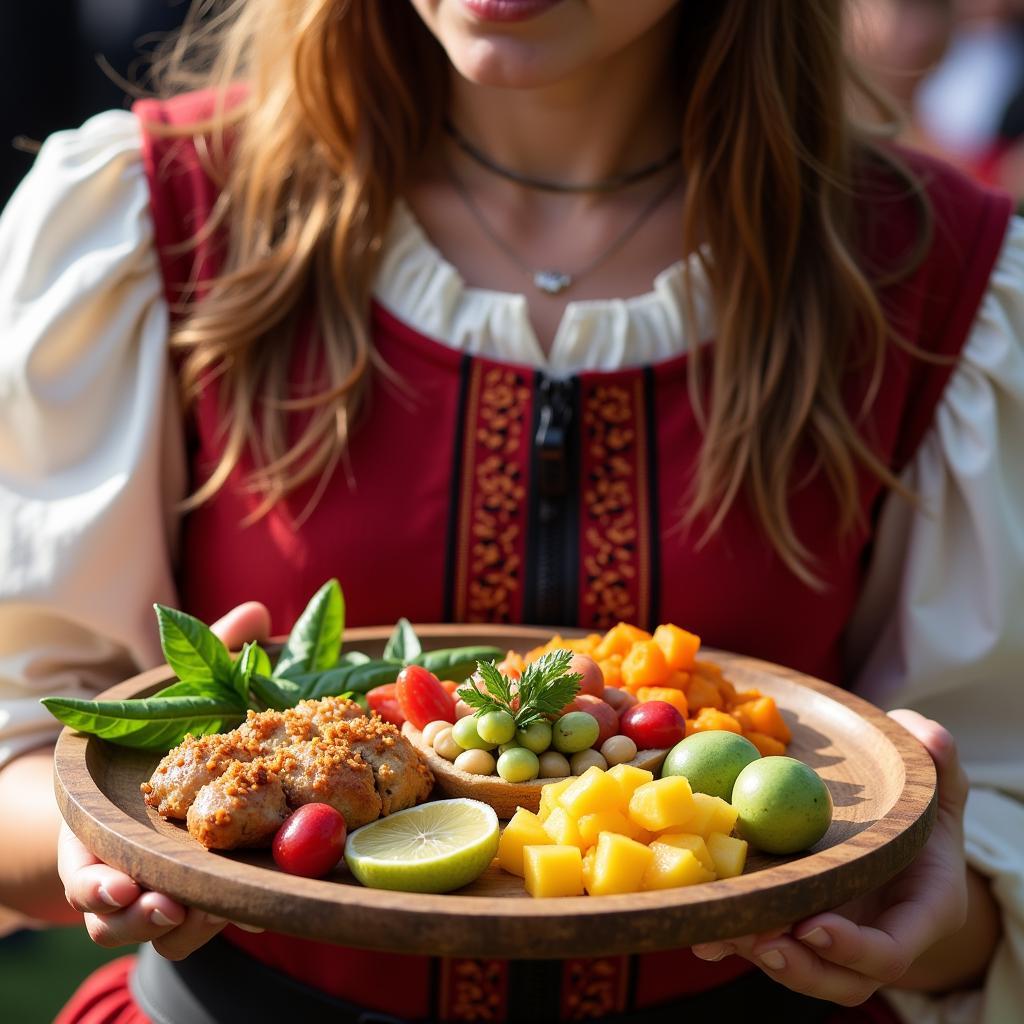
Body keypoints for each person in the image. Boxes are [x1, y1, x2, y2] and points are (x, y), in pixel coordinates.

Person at [0, 1, 1021, 1022]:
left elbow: (975, 874)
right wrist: (104, 838)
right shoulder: (152, 214)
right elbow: (18, 756)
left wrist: (921, 917)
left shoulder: (932, 278)